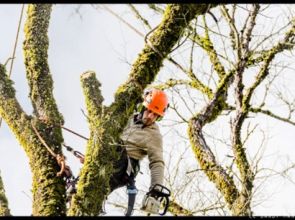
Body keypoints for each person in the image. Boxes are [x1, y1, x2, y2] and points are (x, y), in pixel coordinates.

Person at [108, 88, 169, 215]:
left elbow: (157, 161)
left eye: (155, 115)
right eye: (150, 111)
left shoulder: (154, 135)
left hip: (125, 167)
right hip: (109, 160)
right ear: (143, 107)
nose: (151, 117)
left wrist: (156, 188)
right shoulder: (128, 118)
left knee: (118, 147)